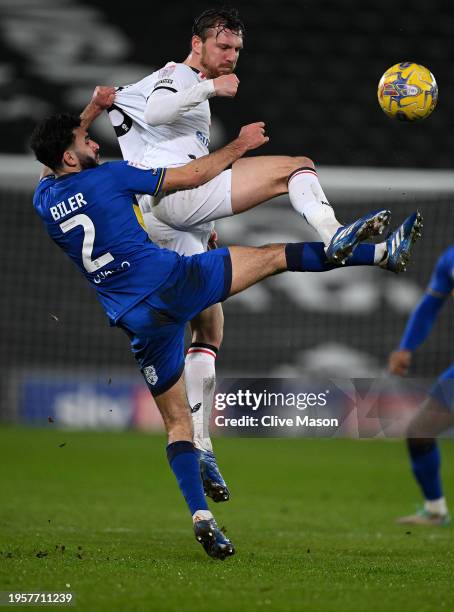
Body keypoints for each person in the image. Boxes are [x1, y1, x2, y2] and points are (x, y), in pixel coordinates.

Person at [30, 111, 420, 560]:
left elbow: (49, 163)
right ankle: (381, 254)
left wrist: (89, 114)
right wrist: (239, 145)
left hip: (132, 317)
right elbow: (194, 175)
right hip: (171, 282)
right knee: (275, 256)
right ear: (69, 157)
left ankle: (200, 514)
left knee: (176, 424)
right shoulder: (111, 178)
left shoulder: (44, 199)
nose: (95, 143)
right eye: (86, 140)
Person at [87, 7, 423, 503]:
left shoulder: (153, 84)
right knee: (296, 167)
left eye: (237, 49)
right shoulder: (179, 77)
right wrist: (208, 88)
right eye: (223, 47)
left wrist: (205, 222)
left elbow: (136, 120)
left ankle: (200, 444)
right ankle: (334, 234)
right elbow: (158, 112)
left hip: (164, 216)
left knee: (208, 328)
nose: (232, 57)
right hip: (171, 197)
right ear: (197, 44)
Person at [389, 247, 454, 526]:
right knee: (420, 433)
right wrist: (406, 347)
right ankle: (436, 511)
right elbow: (430, 304)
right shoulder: (450, 260)